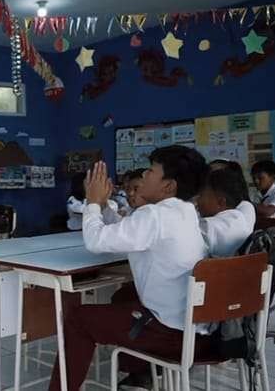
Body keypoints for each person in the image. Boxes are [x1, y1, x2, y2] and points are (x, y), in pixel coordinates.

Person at [48, 145, 211, 391]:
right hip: (198, 330)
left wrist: (92, 202)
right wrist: (103, 207)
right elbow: (126, 233)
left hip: (170, 334)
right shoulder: (185, 212)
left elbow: (96, 242)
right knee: (123, 296)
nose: (144, 175)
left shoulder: (155, 216)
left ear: (169, 186)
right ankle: (138, 372)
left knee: (78, 318)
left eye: (152, 171)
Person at [197, 167, 256, 257]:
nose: (197, 201)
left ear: (221, 202)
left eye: (201, 195)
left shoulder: (209, 228)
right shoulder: (241, 217)